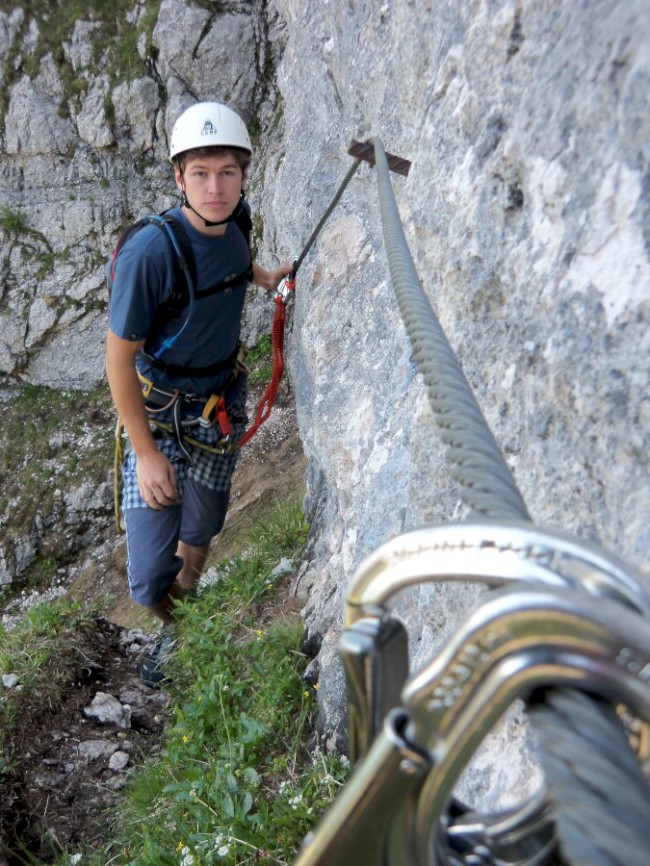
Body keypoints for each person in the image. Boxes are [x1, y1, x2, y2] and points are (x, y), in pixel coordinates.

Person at [106, 101, 291, 684]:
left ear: (243, 175)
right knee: (146, 579)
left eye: (227, 173)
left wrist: (264, 278)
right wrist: (145, 453)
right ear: (178, 177)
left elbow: (231, 267)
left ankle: (185, 629)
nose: (215, 187)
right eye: (201, 174)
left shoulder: (238, 221)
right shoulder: (151, 253)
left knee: (201, 533)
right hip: (159, 419)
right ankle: (173, 621)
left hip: (219, 410)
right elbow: (118, 358)